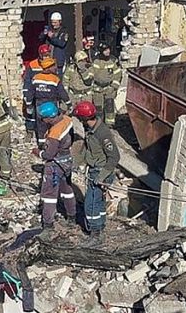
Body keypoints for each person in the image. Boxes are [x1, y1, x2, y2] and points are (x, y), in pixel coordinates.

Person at [74, 101, 119, 246]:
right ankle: (100, 225)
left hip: (100, 172)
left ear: (85, 118)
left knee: (91, 204)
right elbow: (87, 149)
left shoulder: (102, 133)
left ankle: (95, 235)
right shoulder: (89, 129)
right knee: (98, 202)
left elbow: (114, 157)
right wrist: (77, 163)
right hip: (94, 170)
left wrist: (101, 177)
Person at [35, 102, 76, 234]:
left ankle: (48, 224)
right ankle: (72, 217)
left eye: (43, 118)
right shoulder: (67, 120)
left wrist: (38, 152)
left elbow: (48, 154)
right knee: (67, 190)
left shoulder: (54, 133)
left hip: (54, 165)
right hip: (67, 160)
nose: (42, 121)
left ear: (49, 118)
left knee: (49, 195)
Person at [29, 58, 70, 148]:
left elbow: (30, 92)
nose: (55, 68)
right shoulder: (55, 79)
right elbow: (62, 93)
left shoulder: (36, 78)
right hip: (52, 104)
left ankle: (42, 144)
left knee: (41, 125)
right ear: (48, 67)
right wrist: (68, 102)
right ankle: (52, 143)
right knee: (53, 123)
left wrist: (29, 104)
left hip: (39, 104)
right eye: (53, 66)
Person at [21, 43, 53, 133]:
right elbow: (27, 80)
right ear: (40, 55)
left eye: (48, 55)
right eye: (45, 55)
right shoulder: (33, 64)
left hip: (48, 92)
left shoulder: (52, 64)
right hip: (35, 92)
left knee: (48, 112)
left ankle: (47, 130)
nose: (47, 57)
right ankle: (31, 130)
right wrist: (27, 93)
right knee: (31, 111)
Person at [90, 41, 123, 126]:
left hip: (109, 88)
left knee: (109, 106)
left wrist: (113, 87)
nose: (108, 51)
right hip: (98, 89)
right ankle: (99, 125)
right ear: (101, 51)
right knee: (98, 108)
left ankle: (110, 125)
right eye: (105, 50)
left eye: (108, 49)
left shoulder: (113, 60)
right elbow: (91, 74)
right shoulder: (96, 61)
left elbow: (118, 75)